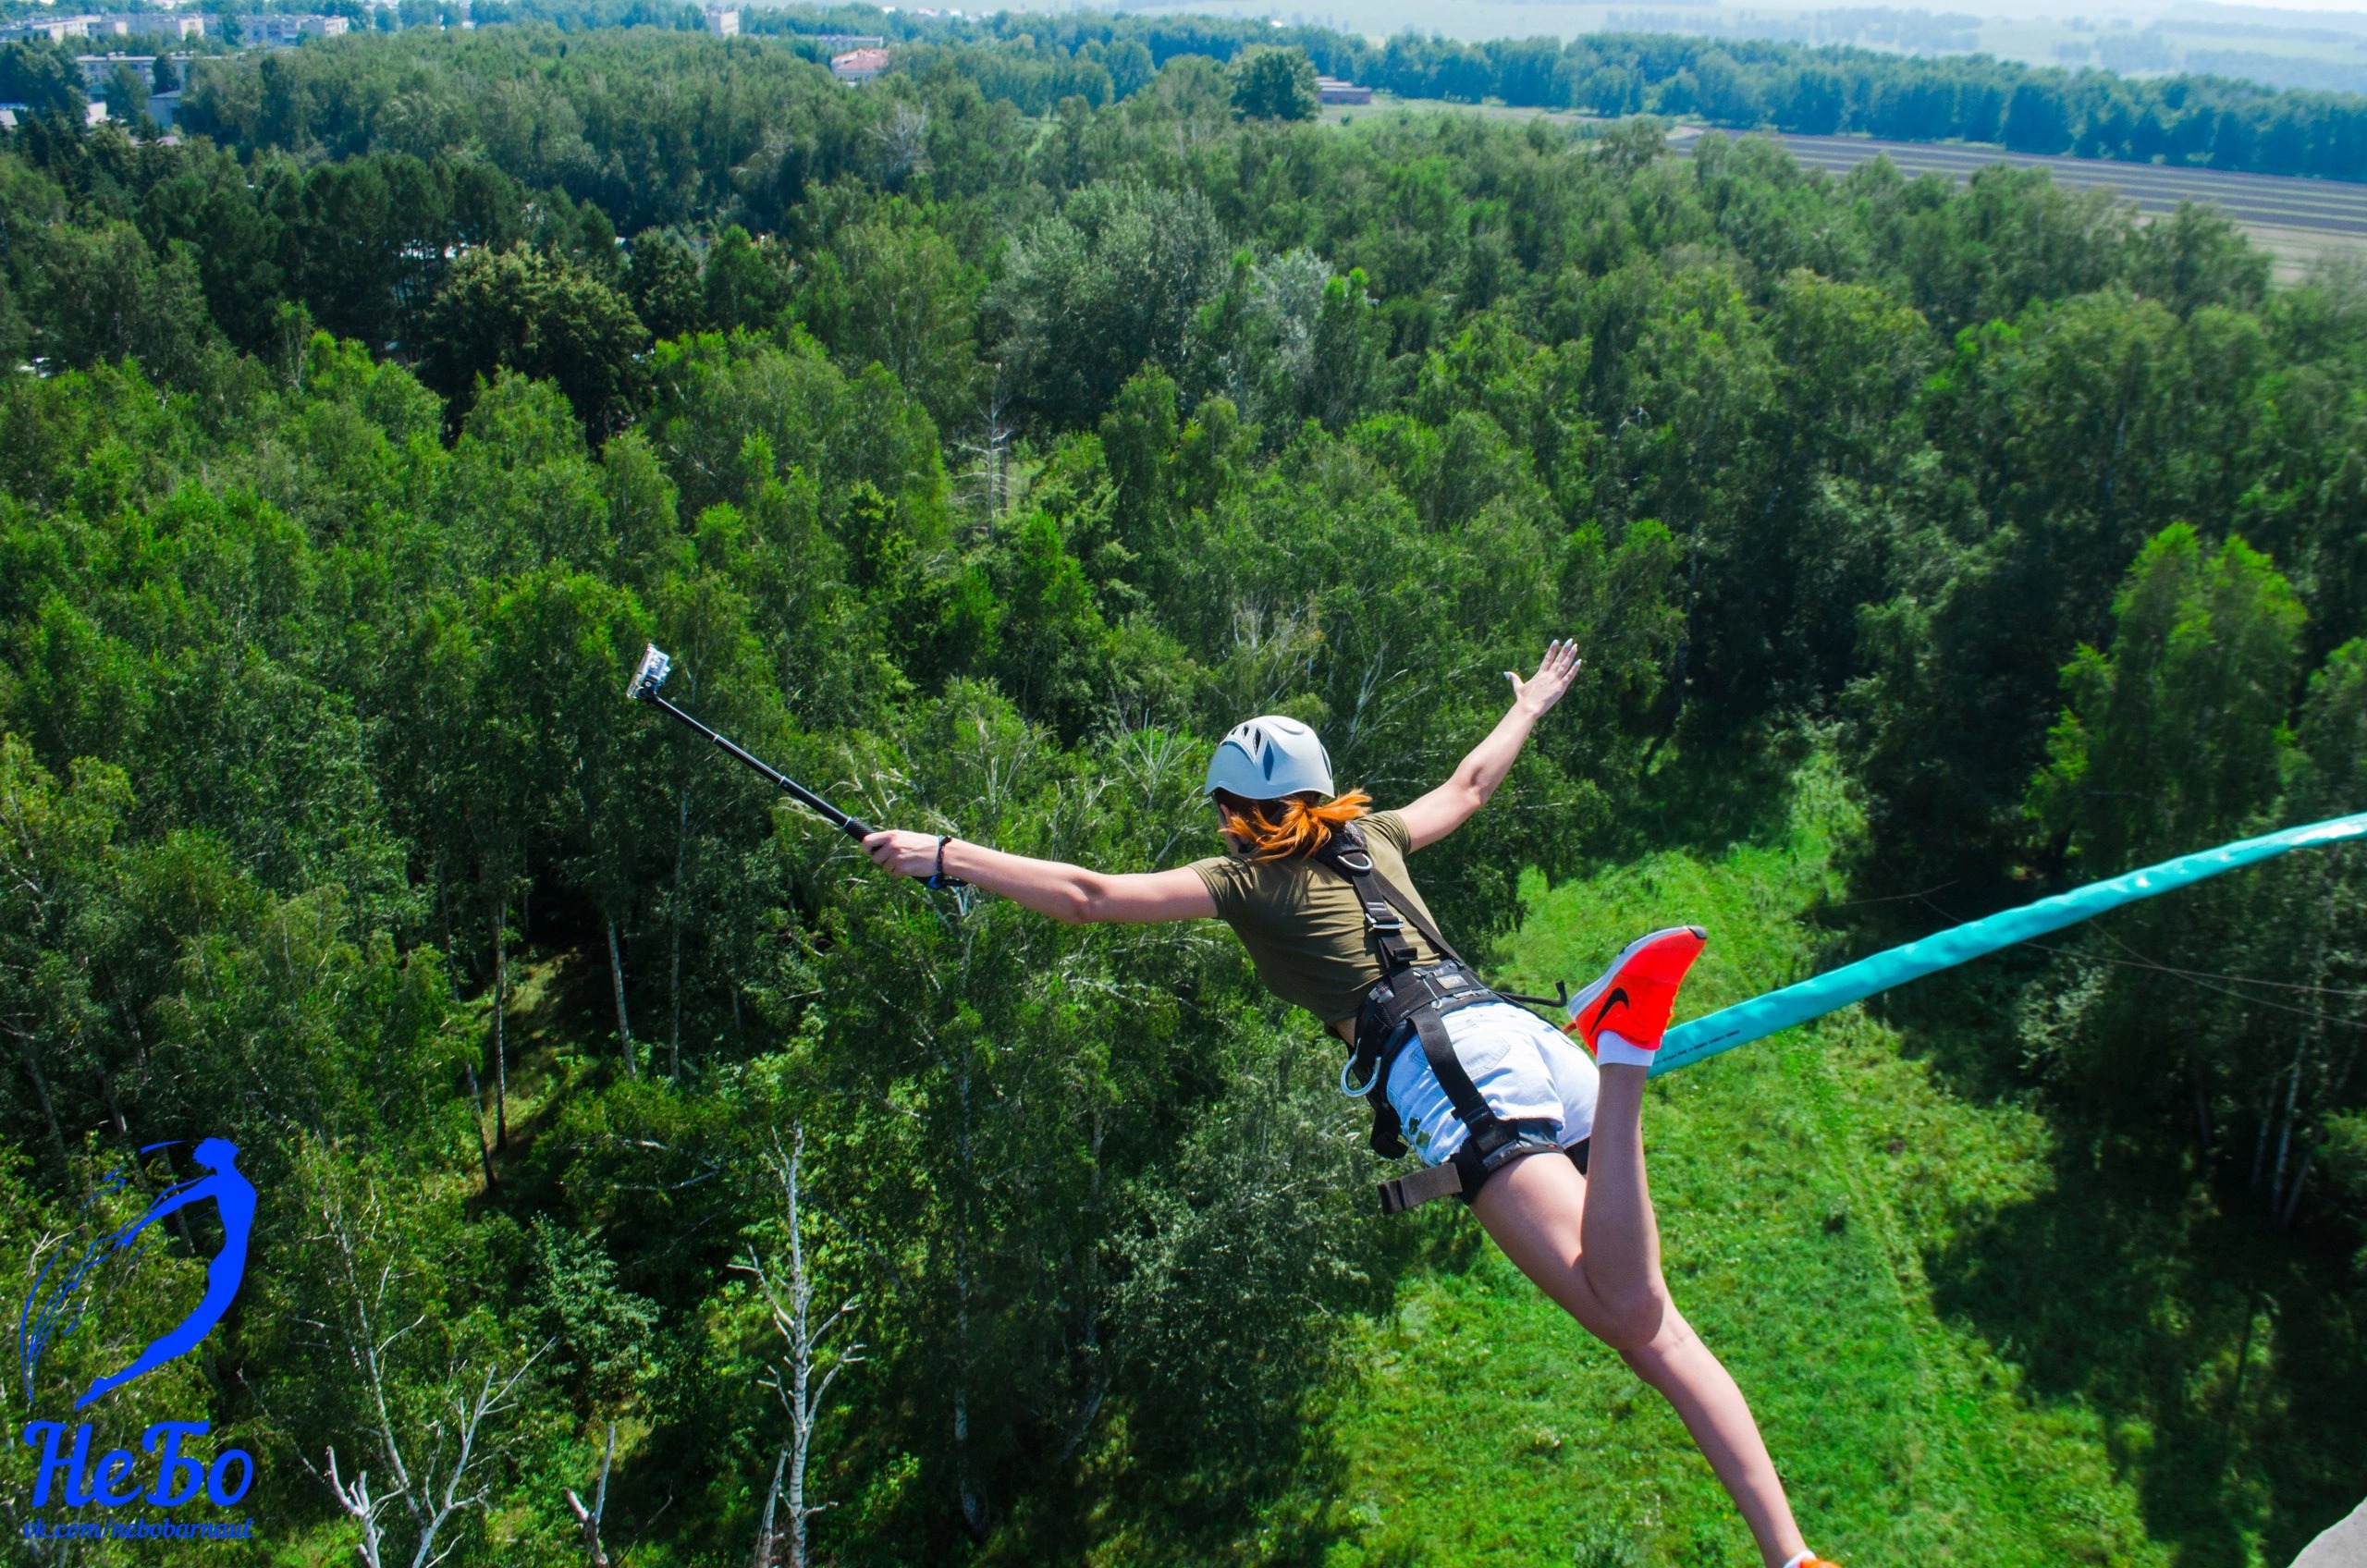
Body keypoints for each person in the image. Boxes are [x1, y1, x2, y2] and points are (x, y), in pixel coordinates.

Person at [863, 640, 1837, 1568]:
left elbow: (1088, 894)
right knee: (1655, 1332)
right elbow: (1470, 785)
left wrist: (946, 854)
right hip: (1523, 1043)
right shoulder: (1369, 833)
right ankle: (1789, 1552)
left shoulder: (1244, 878)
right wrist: (1527, 706)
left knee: (1624, 1313)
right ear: (1319, 791)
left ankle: (1625, 1045)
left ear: (1235, 809)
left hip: (1455, 1072)